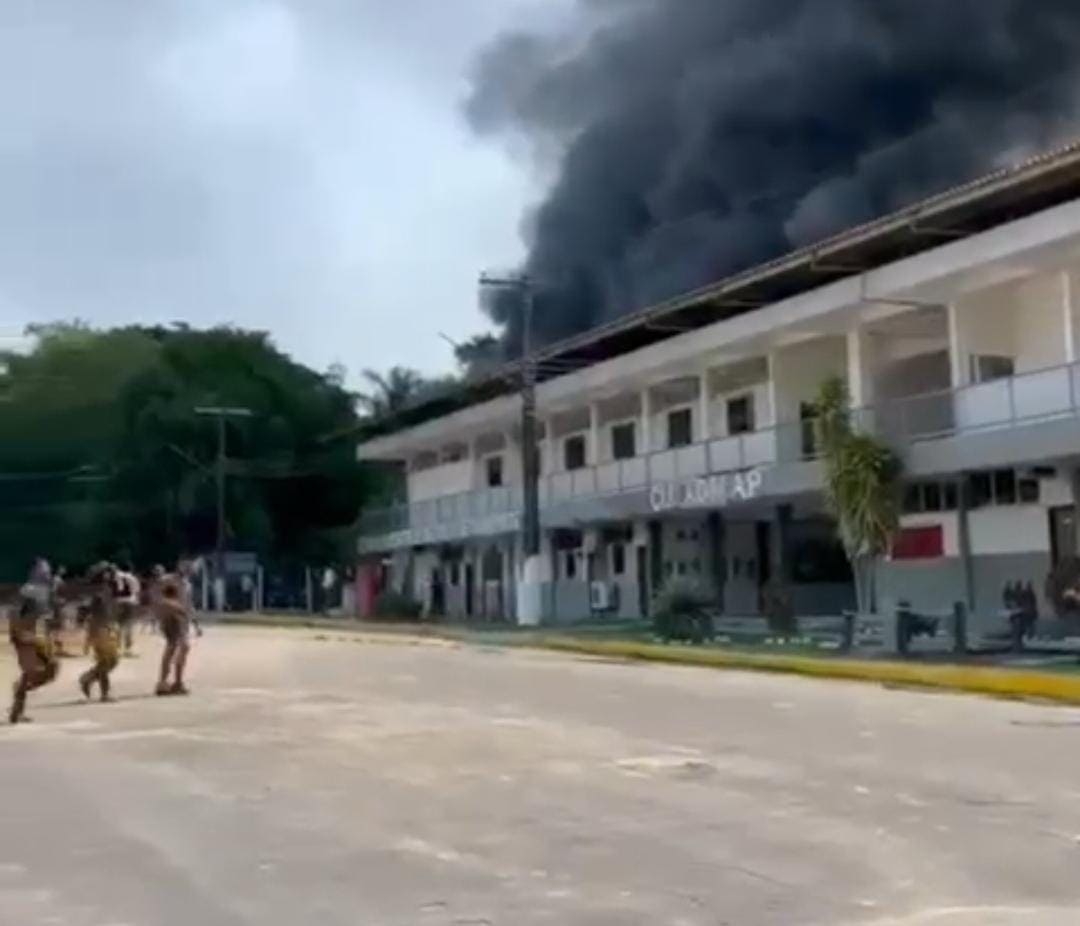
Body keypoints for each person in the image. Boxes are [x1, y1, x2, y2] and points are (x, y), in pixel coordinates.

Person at [8, 558, 61, 724]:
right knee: (32, 672)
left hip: (36, 635)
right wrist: (19, 634)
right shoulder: (29, 591)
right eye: (44, 571)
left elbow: (45, 616)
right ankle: (17, 708)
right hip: (26, 635)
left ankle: (19, 698)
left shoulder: (43, 591)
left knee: (51, 668)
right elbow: (15, 614)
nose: (47, 574)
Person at [78, 564, 120, 703]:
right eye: (107, 572)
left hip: (107, 627)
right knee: (106, 661)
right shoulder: (96, 592)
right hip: (99, 629)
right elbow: (83, 608)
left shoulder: (107, 590)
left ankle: (88, 678)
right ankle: (104, 693)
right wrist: (83, 622)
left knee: (112, 661)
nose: (111, 574)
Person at [154, 574, 191, 696]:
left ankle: (171, 682)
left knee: (176, 650)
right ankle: (168, 682)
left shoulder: (166, 603)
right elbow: (183, 612)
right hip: (174, 627)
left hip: (174, 627)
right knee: (176, 649)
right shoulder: (170, 604)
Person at [112, 564, 141, 657]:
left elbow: (116, 589)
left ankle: (116, 647)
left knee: (118, 624)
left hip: (117, 602)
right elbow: (136, 591)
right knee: (128, 626)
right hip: (130, 601)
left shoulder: (116, 575)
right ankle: (128, 649)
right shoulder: (132, 578)